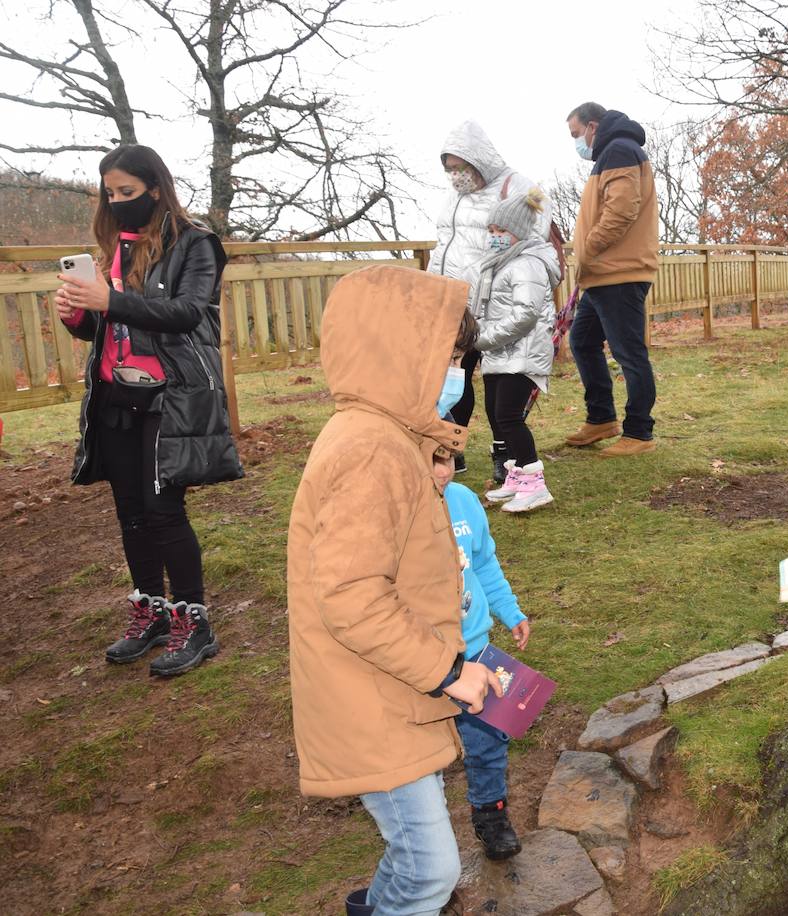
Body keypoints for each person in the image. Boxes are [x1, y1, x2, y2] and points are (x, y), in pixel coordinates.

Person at [287, 266, 503, 916]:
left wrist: (428, 480)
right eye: (450, 359)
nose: (458, 375)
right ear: (398, 353)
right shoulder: (374, 451)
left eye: (462, 362)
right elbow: (352, 595)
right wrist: (449, 670)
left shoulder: (388, 439)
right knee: (430, 868)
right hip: (373, 695)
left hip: (382, 687)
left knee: (418, 860)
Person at [54, 144, 242, 678]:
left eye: (127, 193)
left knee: (163, 512)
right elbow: (111, 328)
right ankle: (150, 611)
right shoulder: (116, 248)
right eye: (110, 194)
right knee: (131, 512)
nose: (116, 203)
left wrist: (109, 301)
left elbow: (185, 314)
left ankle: (193, 618)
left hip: (172, 396)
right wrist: (79, 316)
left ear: (155, 188)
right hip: (116, 397)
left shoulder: (197, 244)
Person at [427, 120, 552, 482]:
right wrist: (436, 286)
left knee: (500, 387)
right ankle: (452, 447)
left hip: (497, 300)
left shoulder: (519, 186)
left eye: (460, 167)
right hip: (456, 301)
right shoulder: (452, 198)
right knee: (454, 377)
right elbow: (443, 243)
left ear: (477, 159)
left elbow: (534, 233)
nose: (456, 176)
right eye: (449, 169)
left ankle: (506, 452)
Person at [433, 451, 531, 860]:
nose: (440, 470)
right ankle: (430, 833)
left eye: (447, 459)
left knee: (490, 739)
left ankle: (490, 814)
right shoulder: (396, 511)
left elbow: (484, 563)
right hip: (426, 660)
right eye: (429, 459)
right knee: (426, 752)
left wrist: (509, 610)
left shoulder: (465, 500)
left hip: (476, 649)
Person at [564, 102, 659, 457]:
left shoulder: (618, 148)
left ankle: (639, 433)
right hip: (602, 274)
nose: (577, 143)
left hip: (619, 271)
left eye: (576, 135)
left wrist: (588, 249)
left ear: (592, 126)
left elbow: (622, 208)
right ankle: (601, 417)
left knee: (629, 353)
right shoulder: (610, 153)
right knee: (583, 341)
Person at [472, 188, 560, 513]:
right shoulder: (499, 264)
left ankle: (535, 485)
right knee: (497, 416)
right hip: (500, 355)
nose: (494, 237)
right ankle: (515, 477)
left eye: (501, 232)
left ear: (519, 233)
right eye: (491, 232)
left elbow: (525, 315)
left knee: (509, 417)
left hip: (522, 356)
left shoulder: (527, 265)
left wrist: (481, 339)